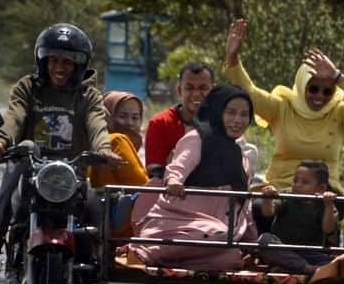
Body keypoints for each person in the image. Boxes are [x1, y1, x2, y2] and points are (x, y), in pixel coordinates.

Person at [0, 23, 115, 262]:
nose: (59, 67)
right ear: (43, 61)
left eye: (67, 62)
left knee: (95, 206)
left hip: (72, 172)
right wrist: (1, 142)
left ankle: (96, 261)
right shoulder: (28, 87)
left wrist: (104, 150)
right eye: (54, 60)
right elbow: (15, 116)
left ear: (78, 65)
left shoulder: (88, 95)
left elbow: (96, 123)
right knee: (21, 161)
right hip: (29, 168)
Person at [224, 18, 344, 193]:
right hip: (280, 190)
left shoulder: (340, 113)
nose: (319, 96)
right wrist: (232, 58)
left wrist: (337, 76)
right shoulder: (281, 107)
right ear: (302, 85)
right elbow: (249, 91)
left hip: (325, 194)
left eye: (327, 91)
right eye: (313, 89)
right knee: (261, 210)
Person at [133, 85, 256, 271]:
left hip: (218, 229)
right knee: (220, 235)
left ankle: (174, 259)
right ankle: (146, 252)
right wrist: (174, 181)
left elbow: (243, 205)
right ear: (217, 112)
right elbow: (178, 166)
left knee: (232, 258)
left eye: (244, 114)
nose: (237, 120)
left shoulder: (241, 157)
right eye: (231, 113)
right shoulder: (198, 139)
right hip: (180, 223)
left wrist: (252, 241)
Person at [254, 160, 338, 275]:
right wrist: (267, 199)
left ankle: (290, 268)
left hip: (310, 253)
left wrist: (328, 205)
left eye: (305, 182)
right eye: (295, 181)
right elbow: (268, 213)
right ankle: (308, 270)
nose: (297, 185)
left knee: (334, 261)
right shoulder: (287, 196)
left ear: (321, 188)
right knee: (264, 240)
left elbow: (328, 229)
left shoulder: (324, 203)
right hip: (283, 249)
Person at [90, 91, 148, 238]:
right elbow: (144, 188)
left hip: (101, 229)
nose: (129, 123)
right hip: (125, 232)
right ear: (107, 118)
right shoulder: (117, 140)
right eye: (122, 116)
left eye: (135, 117)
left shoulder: (95, 144)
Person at [144, 62, 215, 179]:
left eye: (203, 88)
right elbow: (153, 171)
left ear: (213, 91)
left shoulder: (222, 123)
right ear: (179, 90)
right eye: (189, 88)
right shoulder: (160, 123)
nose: (196, 94)